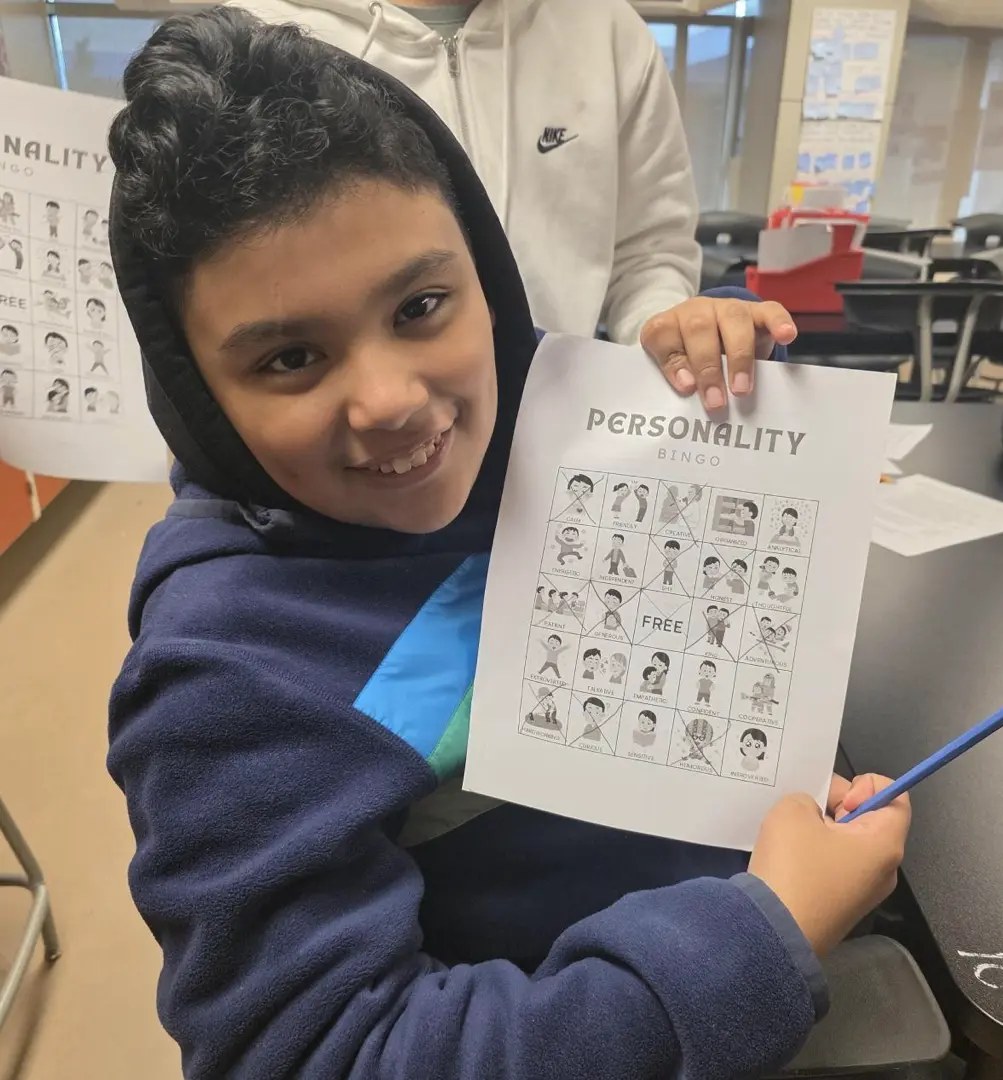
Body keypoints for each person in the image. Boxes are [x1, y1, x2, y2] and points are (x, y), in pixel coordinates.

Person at [106, 11, 911, 1078]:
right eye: (291, 358)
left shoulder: (548, 455)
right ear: (194, 392)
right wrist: (761, 934)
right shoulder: (227, 675)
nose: (392, 401)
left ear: (486, 275)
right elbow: (326, 1055)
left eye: (423, 305)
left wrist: (685, 397)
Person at [242, 0, 798, 412]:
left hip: (556, 436)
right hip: (364, 446)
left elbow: (648, 252)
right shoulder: (254, 40)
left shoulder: (605, 30)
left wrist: (666, 331)